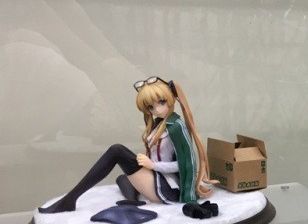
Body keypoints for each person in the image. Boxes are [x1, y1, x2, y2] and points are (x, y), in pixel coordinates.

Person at [39, 77, 213, 213]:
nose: (157, 110)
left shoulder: (176, 126)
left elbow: (187, 164)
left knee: (117, 150)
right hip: (156, 176)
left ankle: (70, 199)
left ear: (170, 99)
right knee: (122, 178)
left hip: (167, 188)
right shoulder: (159, 123)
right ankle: (133, 201)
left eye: (161, 102)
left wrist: (153, 165)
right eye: (151, 107)